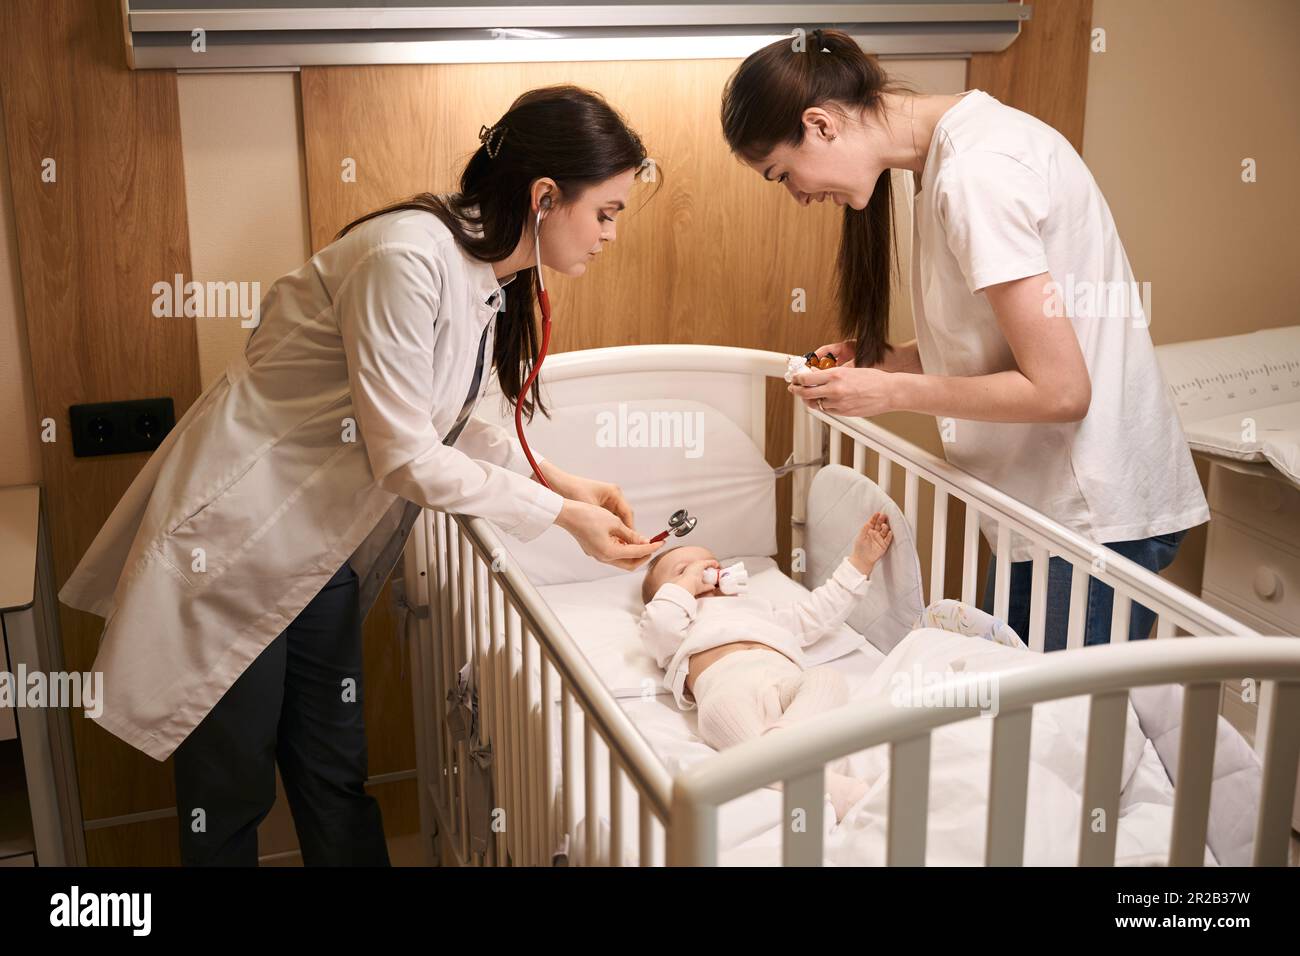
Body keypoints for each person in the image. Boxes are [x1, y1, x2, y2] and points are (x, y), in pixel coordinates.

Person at [58, 85, 665, 864]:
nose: (611, 234)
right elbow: (407, 456)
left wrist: (562, 482)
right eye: (607, 211)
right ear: (546, 197)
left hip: (316, 554)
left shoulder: (485, 275)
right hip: (237, 546)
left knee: (334, 772)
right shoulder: (405, 259)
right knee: (230, 789)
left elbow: (462, 420)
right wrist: (560, 519)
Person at [720, 29, 1208, 650]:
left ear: (820, 125)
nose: (799, 196)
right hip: (1045, 508)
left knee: (1060, 738)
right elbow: (1003, 342)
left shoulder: (978, 174)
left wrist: (889, 393)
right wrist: (885, 362)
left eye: (783, 174)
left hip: (1089, 513)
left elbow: (1061, 390)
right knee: (1006, 710)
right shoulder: (944, 164)